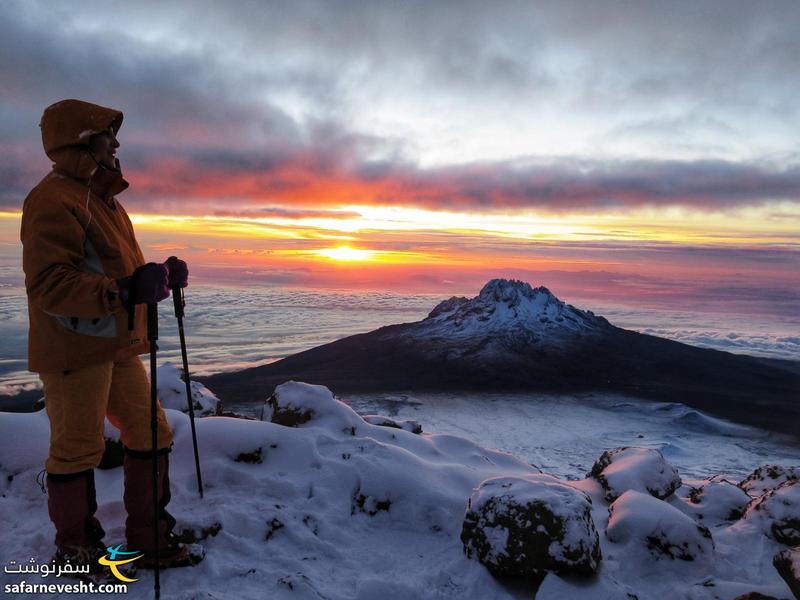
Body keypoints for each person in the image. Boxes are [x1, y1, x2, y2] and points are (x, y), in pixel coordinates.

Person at [20, 99, 202, 578]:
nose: (117, 144)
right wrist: (124, 290)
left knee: (151, 432)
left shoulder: (101, 199)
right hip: (73, 347)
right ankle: (77, 552)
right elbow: (49, 285)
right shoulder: (52, 199)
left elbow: (113, 270)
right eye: (107, 136)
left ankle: (149, 536)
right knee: (78, 449)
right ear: (82, 141)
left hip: (114, 342)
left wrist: (158, 275)